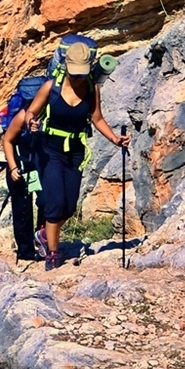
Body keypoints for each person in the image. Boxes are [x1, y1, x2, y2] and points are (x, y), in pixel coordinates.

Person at [23, 42, 130, 270]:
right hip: (49, 148)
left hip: (75, 151)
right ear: (67, 67)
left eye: (83, 74)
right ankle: (52, 253)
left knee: (70, 207)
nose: (79, 78)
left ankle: (44, 234)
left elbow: (97, 118)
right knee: (55, 202)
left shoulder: (92, 88)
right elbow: (31, 111)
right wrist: (30, 121)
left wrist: (114, 139)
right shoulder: (51, 87)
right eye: (75, 74)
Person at [1, 112, 44, 261]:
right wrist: (13, 167)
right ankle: (25, 251)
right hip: (19, 167)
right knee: (22, 210)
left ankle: (42, 241)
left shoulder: (50, 114)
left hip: (40, 167)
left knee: (46, 203)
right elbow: (7, 140)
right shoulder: (21, 116)